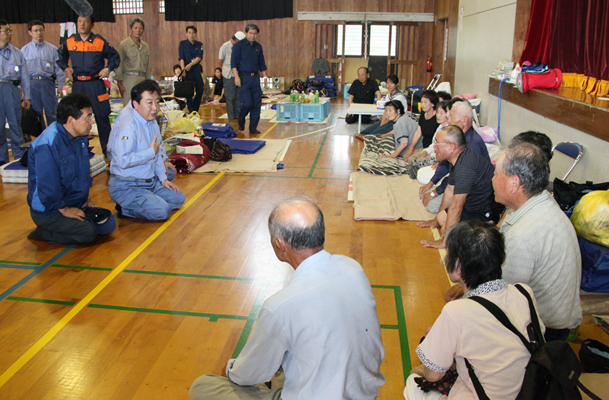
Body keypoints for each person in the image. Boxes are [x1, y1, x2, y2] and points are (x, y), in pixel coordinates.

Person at [190, 197, 385, 400]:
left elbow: (246, 375)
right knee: (285, 359)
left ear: (280, 244)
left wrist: (229, 370)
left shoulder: (280, 306)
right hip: (364, 395)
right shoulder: (352, 268)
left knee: (203, 386)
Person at [445, 143, 582, 342]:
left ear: (514, 184)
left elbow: (499, 297)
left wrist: (466, 294)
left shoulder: (523, 236)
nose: (491, 180)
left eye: (496, 174)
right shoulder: (539, 200)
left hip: (544, 331)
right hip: (551, 315)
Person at [405, 219, 543, 400]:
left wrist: (433, 343)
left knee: (413, 382)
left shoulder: (456, 311)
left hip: (483, 395)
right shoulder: (524, 292)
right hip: (531, 390)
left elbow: (433, 375)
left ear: (459, 266)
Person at [26, 93, 115, 244]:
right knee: (89, 232)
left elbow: (81, 174)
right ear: (70, 120)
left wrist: (85, 200)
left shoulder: (79, 138)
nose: (91, 121)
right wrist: (65, 210)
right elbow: (48, 186)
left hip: (72, 202)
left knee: (106, 223)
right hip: (50, 210)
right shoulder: (48, 143)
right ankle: (44, 232)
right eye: (87, 117)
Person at [108, 80, 185, 221]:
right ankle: (126, 208)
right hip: (128, 184)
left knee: (178, 198)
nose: (155, 107)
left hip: (148, 181)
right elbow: (123, 161)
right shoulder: (129, 126)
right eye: (149, 103)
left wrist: (162, 180)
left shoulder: (152, 122)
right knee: (163, 211)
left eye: (157, 102)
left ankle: (147, 199)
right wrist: (150, 152)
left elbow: (158, 151)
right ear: (135, 104)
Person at [417, 125, 504, 248]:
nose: (434, 148)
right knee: (441, 219)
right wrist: (435, 220)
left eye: (437, 144)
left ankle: (486, 229)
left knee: (446, 231)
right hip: (471, 206)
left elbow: (457, 205)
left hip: (485, 213)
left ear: (452, 146)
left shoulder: (465, 167)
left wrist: (445, 241)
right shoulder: (458, 158)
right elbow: (449, 191)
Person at [57, 15, 120, 158]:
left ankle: (108, 151)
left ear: (92, 24)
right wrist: (66, 68)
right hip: (78, 85)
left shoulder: (99, 41)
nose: (82, 24)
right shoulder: (70, 41)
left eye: (86, 21)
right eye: (79, 21)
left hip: (96, 85)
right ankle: (81, 151)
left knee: (102, 117)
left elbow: (115, 57)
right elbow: (60, 57)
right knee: (78, 118)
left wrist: (108, 69)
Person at [418, 101, 489, 214]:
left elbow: (458, 179)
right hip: (457, 180)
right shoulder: (457, 137)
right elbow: (446, 165)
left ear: (464, 121)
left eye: (452, 117)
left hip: (473, 192)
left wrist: (435, 192)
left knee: (432, 205)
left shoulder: (471, 145)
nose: (449, 120)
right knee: (428, 192)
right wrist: (431, 183)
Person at [21, 20, 65, 129]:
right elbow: (22, 73)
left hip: (48, 84)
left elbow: (59, 70)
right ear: (30, 32)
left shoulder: (53, 50)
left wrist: (60, 87)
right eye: (35, 30)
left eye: (41, 30)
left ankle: (54, 137)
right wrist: (23, 91)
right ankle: (40, 139)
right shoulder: (24, 51)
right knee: (36, 114)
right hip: (32, 84)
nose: (38, 33)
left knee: (52, 113)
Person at [0, 19, 30, 164]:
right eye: (6, 30)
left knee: (15, 123)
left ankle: (18, 154)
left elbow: (24, 77)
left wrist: (27, 97)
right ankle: (1, 158)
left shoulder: (17, 53)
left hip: (12, 89)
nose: (9, 33)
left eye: (9, 30)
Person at [231, 23, 268, 134]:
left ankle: (253, 128)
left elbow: (262, 63)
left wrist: (265, 77)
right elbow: (233, 63)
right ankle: (241, 122)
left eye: (255, 33)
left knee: (257, 104)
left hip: (255, 78)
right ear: (246, 33)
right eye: (250, 33)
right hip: (243, 78)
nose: (252, 35)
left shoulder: (258, 47)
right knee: (247, 104)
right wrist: (236, 77)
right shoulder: (238, 46)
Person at [115, 17, 151, 106]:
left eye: (141, 28)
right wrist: (119, 83)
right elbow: (119, 65)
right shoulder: (123, 45)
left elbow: (148, 66)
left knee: (143, 107)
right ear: (131, 29)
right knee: (129, 107)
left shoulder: (145, 46)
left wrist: (148, 82)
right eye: (135, 28)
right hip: (128, 80)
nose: (138, 30)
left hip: (142, 80)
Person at [412, 101, 449, 168]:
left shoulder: (448, 129)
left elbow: (443, 150)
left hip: (440, 158)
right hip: (433, 153)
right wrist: (425, 152)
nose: (438, 115)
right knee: (414, 161)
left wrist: (430, 155)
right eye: (437, 112)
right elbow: (434, 144)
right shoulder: (440, 126)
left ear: (448, 114)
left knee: (419, 163)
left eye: (441, 113)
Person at [218, 31, 245, 121]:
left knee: (238, 96)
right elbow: (220, 60)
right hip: (228, 75)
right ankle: (231, 117)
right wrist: (223, 71)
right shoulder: (225, 47)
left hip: (238, 74)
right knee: (230, 96)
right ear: (236, 40)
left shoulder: (240, 47)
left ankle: (237, 115)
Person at [178, 25, 204, 113]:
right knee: (188, 92)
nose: (191, 35)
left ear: (195, 34)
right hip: (187, 72)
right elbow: (181, 58)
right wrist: (183, 70)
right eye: (189, 33)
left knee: (200, 90)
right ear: (186, 34)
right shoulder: (182, 44)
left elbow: (199, 57)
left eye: (193, 33)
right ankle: (192, 110)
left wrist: (190, 65)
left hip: (196, 70)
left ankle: (195, 110)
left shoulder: (199, 44)